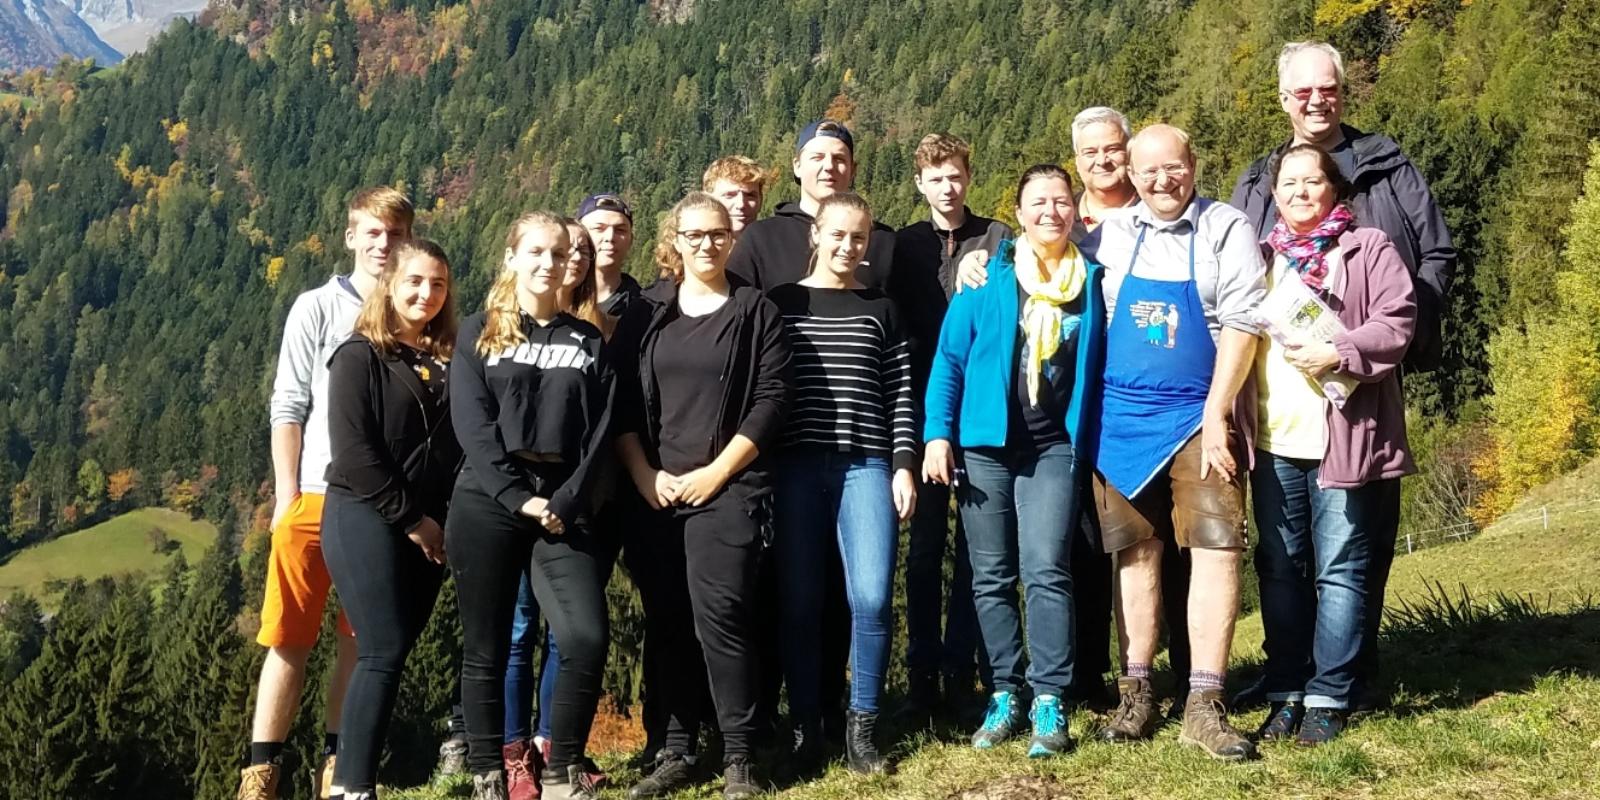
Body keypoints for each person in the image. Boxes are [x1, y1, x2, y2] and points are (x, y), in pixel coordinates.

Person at [1229, 40, 1455, 710]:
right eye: (1302, 92)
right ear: (1283, 99)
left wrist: (1394, 337)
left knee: (1359, 542)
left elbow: (1436, 253)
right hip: (1281, 404)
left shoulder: (1386, 166)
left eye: (1326, 88)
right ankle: (1295, 676)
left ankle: (1352, 677)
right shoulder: (1258, 179)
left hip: (1367, 385)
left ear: (1342, 91)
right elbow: (1238, 280)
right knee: (1289, 554)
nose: (1315, 100)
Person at [1084, 124, 1265, 762]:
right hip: (1120, 423)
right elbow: (1050, 275)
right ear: (1130, 177)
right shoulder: (1109, 236)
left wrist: (1219, 413)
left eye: (1175, 167)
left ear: (1193, 165)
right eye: (1150, 171)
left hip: (1198, 416)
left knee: (1218, 548)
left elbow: (1244, 320)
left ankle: (1204, 704)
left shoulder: (1226, 228)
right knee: (1136, 553)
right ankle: (1137, 692)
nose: (1164, 181)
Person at [923, 164, 1103, 758]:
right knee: (990, 574)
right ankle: (1006, 690)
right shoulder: (988, 280)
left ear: (1074, 210)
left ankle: (1050, 695)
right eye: (1038, 202)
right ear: (1019, 214)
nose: (1051, 211)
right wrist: (937, 435)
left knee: (1046, 566)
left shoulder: (1094, 281)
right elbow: (948, 362)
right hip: (985, 447)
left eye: (1061, 200)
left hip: (1054, 446)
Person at [613, 192, 789, 800]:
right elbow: (625, 408)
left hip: (729, 486)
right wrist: (645, 477)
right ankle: (678, 748)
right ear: (676, 240)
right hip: (657, 491)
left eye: (716, 234)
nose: (706, 244)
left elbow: (771, 402)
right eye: (694, 235)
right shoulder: (648, 312)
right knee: (669, 620)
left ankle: (740, 756)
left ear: (730, 239)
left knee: (722, 618)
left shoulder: (753, 309)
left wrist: (717, 473)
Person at [240, 186, 413, 800]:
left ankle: (339, 768)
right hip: (314, 496)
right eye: (372, 231)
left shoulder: (414, 309)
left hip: (383, 506)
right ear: (351, 236)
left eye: (394, 233)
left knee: (359, 641)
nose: (382, 244)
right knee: (289, 637)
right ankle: (262, 771)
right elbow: (288, 404)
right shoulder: (316, 306)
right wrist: (286, 495)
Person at [1247, 145, 1416, 745]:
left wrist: (1339, 352)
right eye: (1287, 183)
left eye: (1310, 181)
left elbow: (1397, 322)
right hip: (1272, 441)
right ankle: (1286, 687)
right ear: (1274, 193)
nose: (1298, 192)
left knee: (1342, 570)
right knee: (1281, 567)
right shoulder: (1260, 257)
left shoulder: (1367, 248)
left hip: (1343, 438)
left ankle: (1329, 693)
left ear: (1334, 188)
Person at [447, 211, 615, 800]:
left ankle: (564, 767)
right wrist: (519, 499)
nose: (548, 263)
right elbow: (473, 426)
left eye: (558, 252)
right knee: (487, 645)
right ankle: (489, 770)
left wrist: (562, 499)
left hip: (562, 505)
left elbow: (599, 435)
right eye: (535, 252)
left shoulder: (588, 340)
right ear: (512, 257)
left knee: (585, 636)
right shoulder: (477, 332)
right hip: (489, 502)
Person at [769, 192, 917, 774]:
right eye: (837, 235)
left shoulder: (883, 308)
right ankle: (807, 731)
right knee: (802, 603)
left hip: (866, 465)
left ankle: (863, 729)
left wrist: (903, 464)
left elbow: (902, 393)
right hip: (795, 467)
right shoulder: (781, 304)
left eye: (858, 238)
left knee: (873, 598)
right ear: (816, 236)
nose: (848, 246)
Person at [321, 239, 462, 799]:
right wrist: (414, 521)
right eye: (415, 282)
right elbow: (355, 454)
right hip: (365, 515)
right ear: (390, 285)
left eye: (438, 284)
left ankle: (354, 782)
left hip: (429, 526)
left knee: (394, 649)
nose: (426, 294)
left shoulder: (448, 358)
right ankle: (351, 786)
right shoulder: (359, 355)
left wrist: (443, 521)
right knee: (380, 648)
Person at [889, 132, 1010, 717]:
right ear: (920, 184)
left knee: (978, 551)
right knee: (923, 549)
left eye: (955, 175)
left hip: (981, 409)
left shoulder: (997, 236)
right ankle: (921, 675)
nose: (947, 186)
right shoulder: (902, 246)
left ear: (968, 176)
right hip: (917, 407)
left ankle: (965, 671)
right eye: (935, 178)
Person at [727, 119, 896, 291]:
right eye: (818, 157)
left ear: (853, 170)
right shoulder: (762, 238)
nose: (829, 166)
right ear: (797, 166)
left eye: (839, 159)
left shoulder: (883, 241)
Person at [578, 193, 642, 318]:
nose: (610, 237)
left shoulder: (643, 307)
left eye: (620, 230)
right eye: (599, 228)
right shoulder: (555, 299)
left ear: (631, 240)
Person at [704, 155, 768, 241]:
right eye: (730, 195)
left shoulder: (775, 249)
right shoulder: (692, 250)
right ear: (708, 200)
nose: (741, 204)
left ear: (760, 200)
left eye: (750, 196)